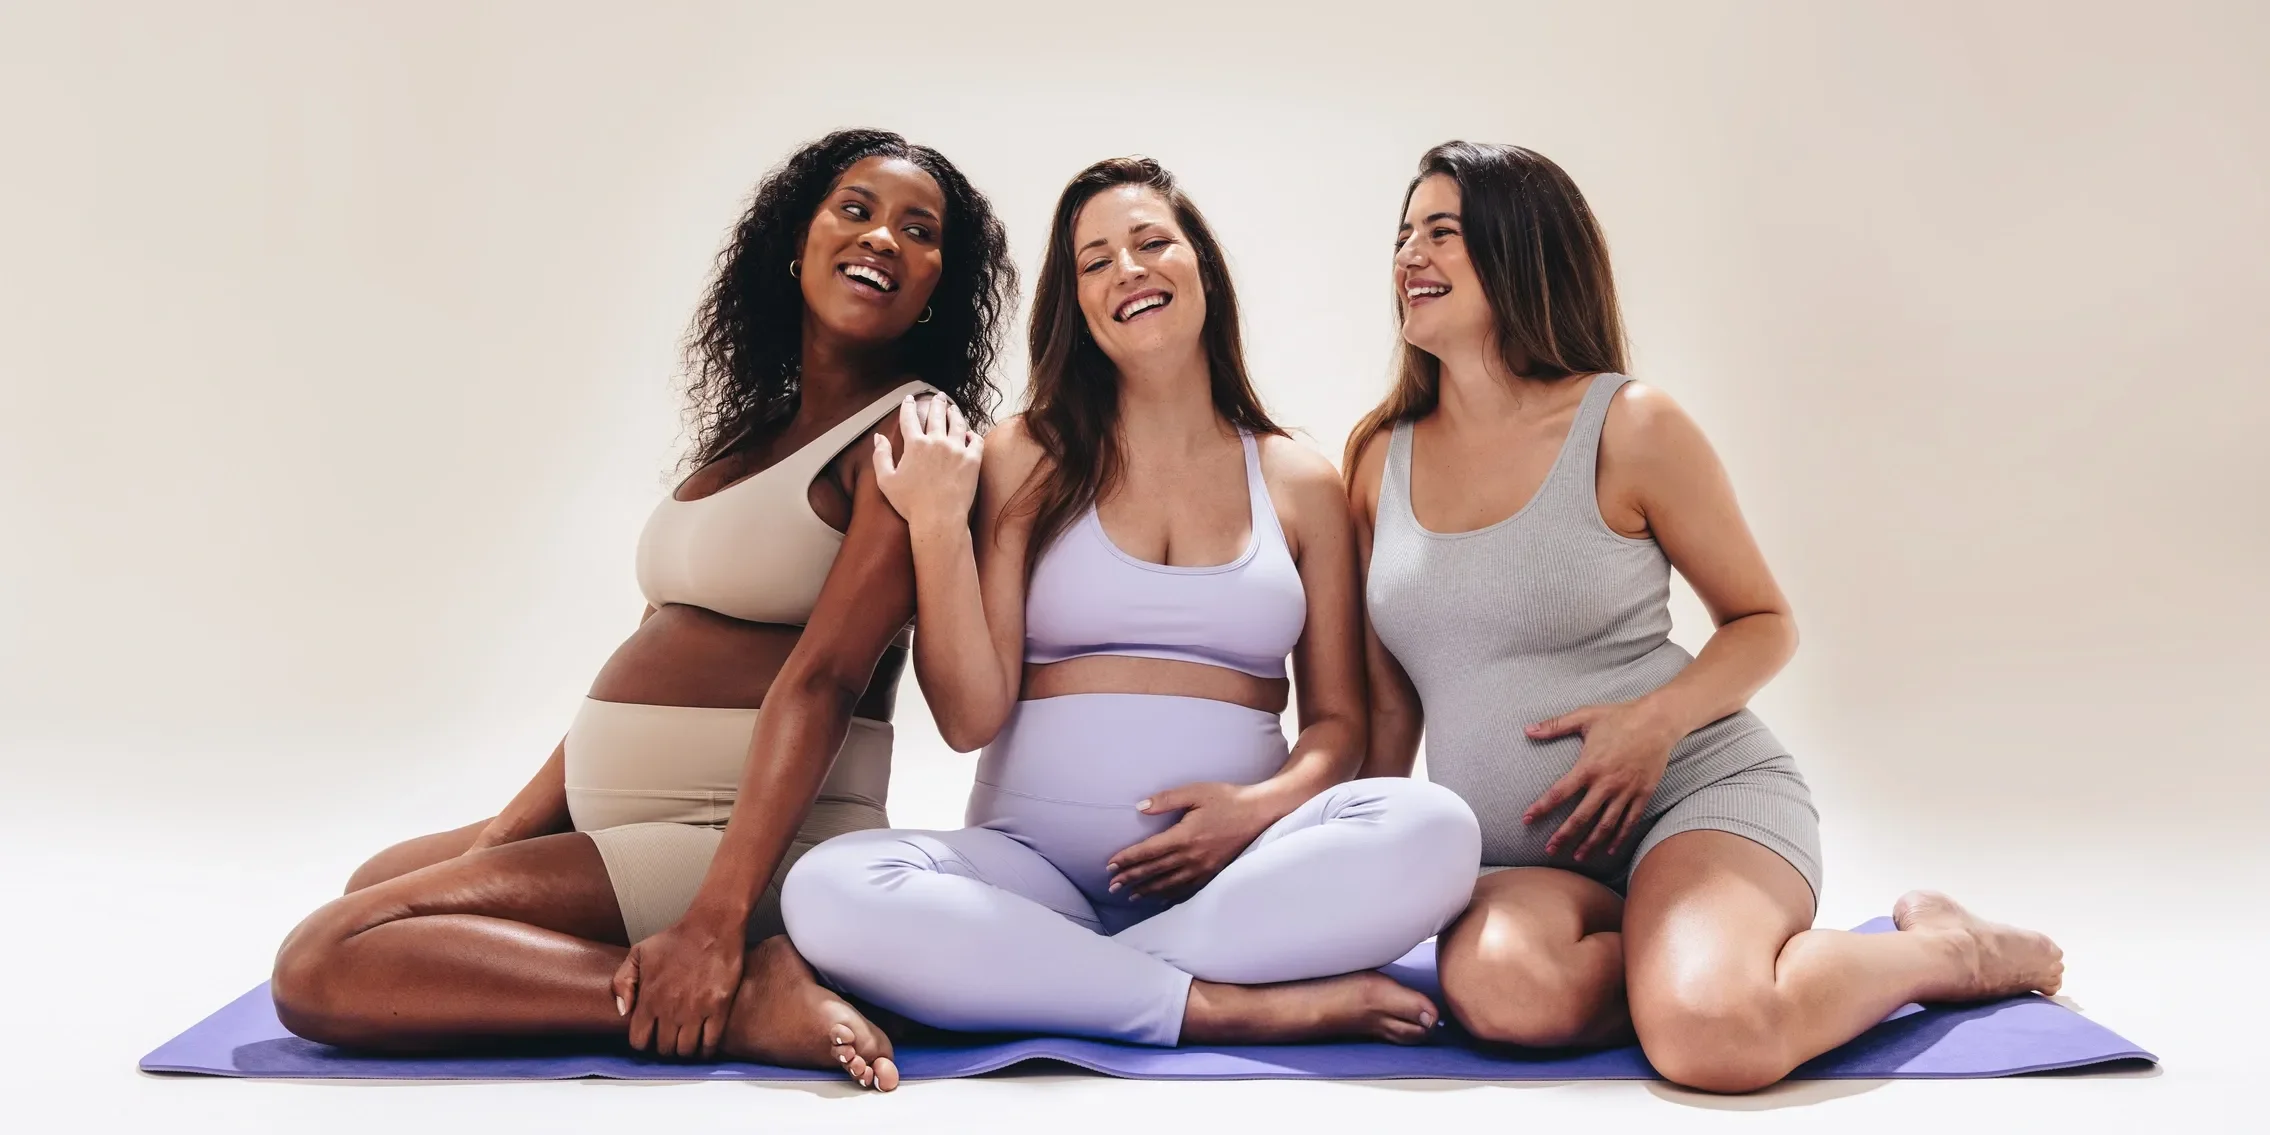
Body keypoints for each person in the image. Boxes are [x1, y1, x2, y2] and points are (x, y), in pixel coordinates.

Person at [267, 129, 1016, 1078]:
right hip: (638, 818)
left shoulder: (914, 435)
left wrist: (715, 921)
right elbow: (655, 644)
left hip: (742, 832)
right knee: (381, 884)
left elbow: (826, 678)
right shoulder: (758, 434)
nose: (882, 239)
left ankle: (734, 1001)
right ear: (797, 240)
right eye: (856, 210)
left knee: (324, 961)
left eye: (919, 231)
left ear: (938, 287)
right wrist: (508, 830)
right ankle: (720, 979)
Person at [1346, 140, 2065, 1092]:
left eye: (1442, 231)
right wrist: (1361, 878)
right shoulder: (1374, 462)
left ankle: (1945, 951)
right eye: (1403, 235)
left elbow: (1764, 619)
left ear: (1523, 250)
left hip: (1694, 799)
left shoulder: (1630, 425)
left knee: (1711, 1038)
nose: (1409, 255)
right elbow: (1391, 708)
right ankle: (1679, 967)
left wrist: (1655, 723)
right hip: (1523, 861)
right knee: (1507, 993)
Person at [780, 157, 1480, 1092]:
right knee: (828, 889)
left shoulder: (1297, 478)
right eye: (1095, 260)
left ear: (1203, 269)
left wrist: (1253, 813)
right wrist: (940, 525)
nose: (1129, 271)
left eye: (1152, 243)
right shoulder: (1024, 453)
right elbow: (967, 717)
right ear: (1076, 303)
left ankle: (1052, 977)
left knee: (1433, 824)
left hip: (1236, 878)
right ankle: (1225, 1003)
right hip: (1028, 868)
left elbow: (1340, 727)